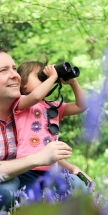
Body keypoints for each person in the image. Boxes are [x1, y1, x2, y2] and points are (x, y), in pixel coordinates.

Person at [0, 46, 82, 212]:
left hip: (33, 173)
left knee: (77, 186)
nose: (15, 75)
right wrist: (36, 159)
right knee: (7, 190)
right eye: (3, 70)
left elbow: (43, 151)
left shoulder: (29, 110)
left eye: (14, 68)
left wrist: (71, 168)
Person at [14, 59, 93, 193]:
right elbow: (36, 96)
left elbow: (81, 106)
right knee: (32, 201)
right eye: (40, 76)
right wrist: (52, 77)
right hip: (27, 168)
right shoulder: (21, 102)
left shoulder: (52, 106)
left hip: (51, 169)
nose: (46, 79)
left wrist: (73, 82)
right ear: (23, 83)